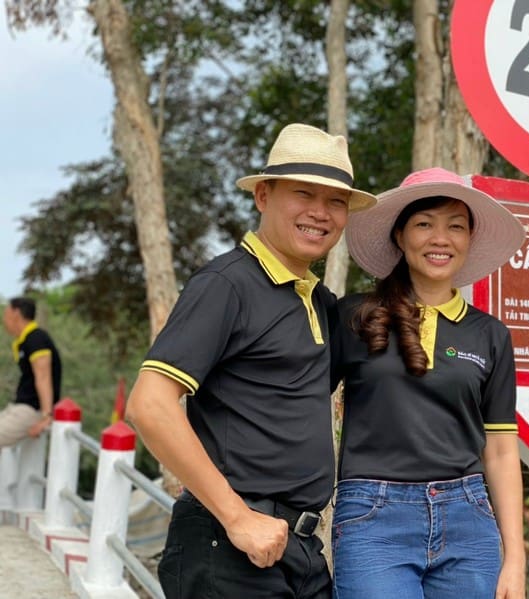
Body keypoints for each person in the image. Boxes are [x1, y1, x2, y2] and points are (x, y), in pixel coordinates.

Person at [125, 123, 377, 599]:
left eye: (336, 201)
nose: (320, 212)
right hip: (230, 543)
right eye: (304, 193)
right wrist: (237, 516)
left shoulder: (318, 302)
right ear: (263, 195)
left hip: (299, 549)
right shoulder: (227, 284)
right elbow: (149, 405)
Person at [330, 167, 528, 598]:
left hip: (469, 520)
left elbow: (500, 450)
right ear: (400, 236)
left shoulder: (491, 335)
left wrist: (515, 557)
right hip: (372, 518)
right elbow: (297, 402)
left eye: (455, 226)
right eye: (424, 224)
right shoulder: (353, 317)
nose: (441, 239)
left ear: (469, 239)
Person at [1, 297, 61, 446]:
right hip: (20, 406)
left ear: (15, 313)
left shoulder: (36, 339)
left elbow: (43, 377)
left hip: (31, 410)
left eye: (5, 313)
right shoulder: (26, 339)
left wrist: (47, 416)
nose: (3, 319)